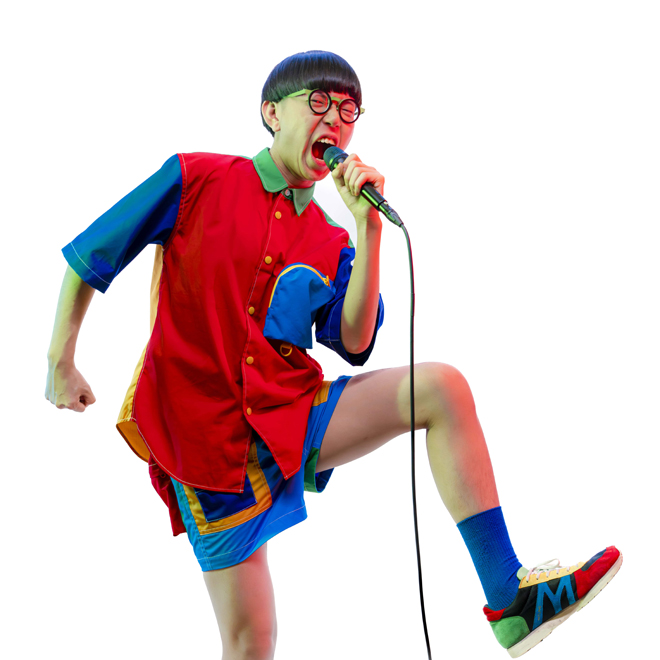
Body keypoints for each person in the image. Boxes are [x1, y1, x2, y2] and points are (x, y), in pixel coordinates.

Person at [45, 50, 621, 659]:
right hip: (204, 442)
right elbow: (93, 254)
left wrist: (368, 229)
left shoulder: (331, 237)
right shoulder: (197, 178)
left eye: (348, 111)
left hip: (291, 414)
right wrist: (61, 360)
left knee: (442, 388)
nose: (336, 121)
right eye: (319, 102)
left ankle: (509, 599)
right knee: (251, 641)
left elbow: (353, 340)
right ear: (272, 113)